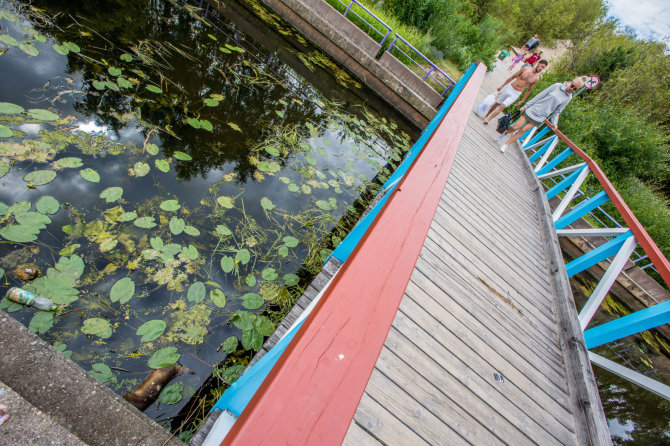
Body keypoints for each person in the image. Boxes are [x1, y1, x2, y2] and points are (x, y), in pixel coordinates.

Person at [497, 76, 587, 153]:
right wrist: (526, 105)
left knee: (522, 130)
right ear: (571, 82)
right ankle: (504, 133)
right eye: (572, 86)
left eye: (575, 89)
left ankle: (505, 145)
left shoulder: (568, 98)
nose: (572, 89)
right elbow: (541, 95)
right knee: (515, 127)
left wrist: (555, 122)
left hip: (541, 116)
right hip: (533, 109)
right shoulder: (557, 86)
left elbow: (557, 111)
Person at [482, 59, 548, 125]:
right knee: (496, 103)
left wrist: (522, 100)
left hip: (516, 93)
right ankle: (486, 115)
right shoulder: (526, 69)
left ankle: (488, 119)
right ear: (538, 63)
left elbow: (529, 90)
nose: (541, 69)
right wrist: (502, 86)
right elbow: (513, 77)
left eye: (543, 68)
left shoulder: (536, 78)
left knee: (502, 106)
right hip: (510, 88)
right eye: (542, 66)